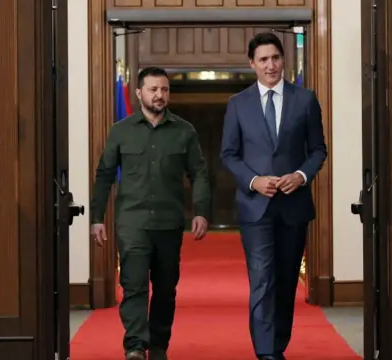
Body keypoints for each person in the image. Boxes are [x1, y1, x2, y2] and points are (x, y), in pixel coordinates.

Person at [90, 67, 210, 360]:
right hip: (132, 222)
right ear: (139, 93)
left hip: (169, 223)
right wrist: (96, 218)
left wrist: (201, 211)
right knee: (133, 285)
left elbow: (199, 173)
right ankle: (134, 346)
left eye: (164, 90)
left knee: (166, 289)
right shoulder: (121, 131)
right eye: (154, 89)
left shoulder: (184, 131)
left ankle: (158, 346)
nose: (160, 95)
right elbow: (105, 174)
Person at [220, 32, 327, 360]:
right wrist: (254, 181)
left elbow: (318, 150)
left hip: (293, 206)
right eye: (263, 60)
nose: (271, 65)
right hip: (256, 208)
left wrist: (300, 175)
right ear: (252, 64)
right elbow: (229, 154)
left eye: (276, 58)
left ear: (284, 60)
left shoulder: (305, 100)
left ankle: (278, 344)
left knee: (285, 280)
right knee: (262, 278)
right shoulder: (238, 104)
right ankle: (266, 352)